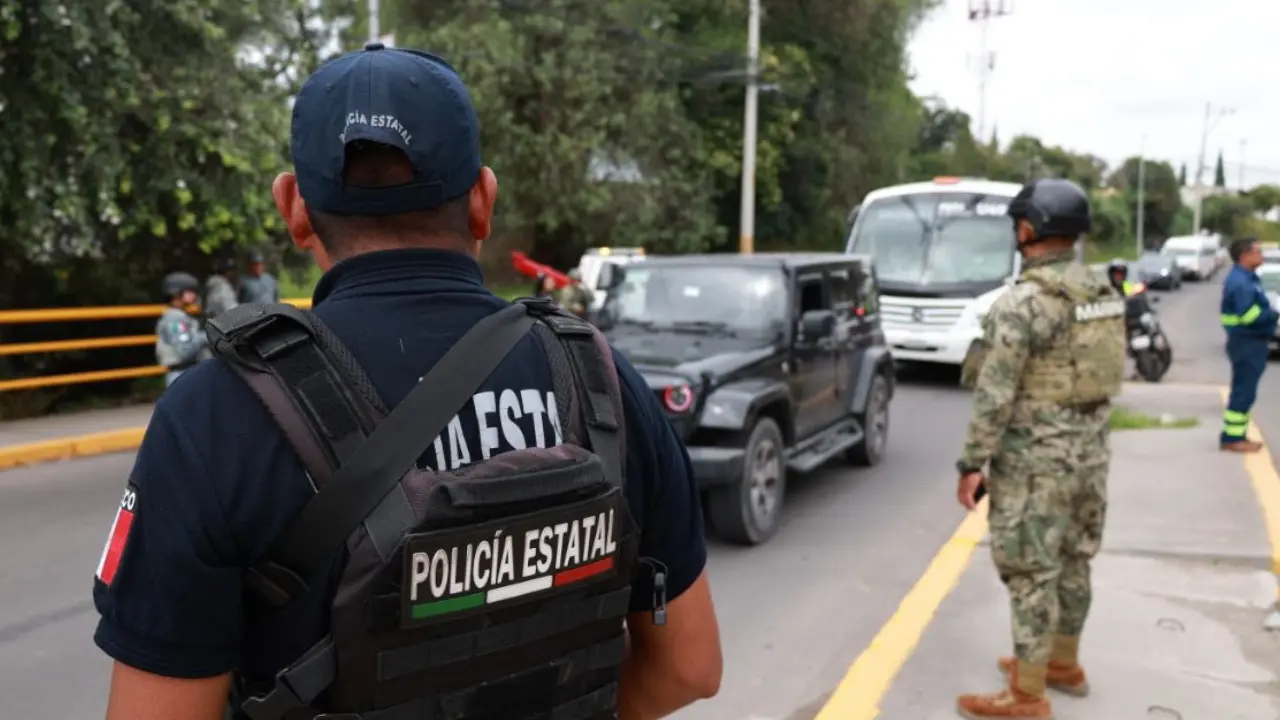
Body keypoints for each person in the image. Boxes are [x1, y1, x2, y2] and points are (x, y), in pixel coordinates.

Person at [91, 43, 721, 720]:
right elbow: (689, 667)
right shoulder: (599, 377)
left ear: (294, 207)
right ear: (483, 200)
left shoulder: (212, 416)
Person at [954, 178, 1125, 719]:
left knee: (1031, 572)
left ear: (1028, 230)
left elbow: (995, 393)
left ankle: (1027, 696)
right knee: (1076, 560)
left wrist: (971, 464)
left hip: (1035, 465)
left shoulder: (1024, 303)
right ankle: (1062, 663)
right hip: (1091, 457)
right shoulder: (1102, 291)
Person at [1218, 236, 1278, 452]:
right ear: (1245, 256)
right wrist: (1272, 315)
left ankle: (1237, 435)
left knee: (1245, 390)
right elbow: (1250, 315)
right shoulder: (1241, 282)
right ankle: (1232, 438)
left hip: (1250, 342)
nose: (1261, 256)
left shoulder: (1247, 278)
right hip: (1247, 342)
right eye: (1258, 252)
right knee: (1244, 391)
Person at [155, 272, 210, 387]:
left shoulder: (180, 315)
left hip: (187, 373)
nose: (194, 295)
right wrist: (206, 336)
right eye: (190, 291)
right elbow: (185, 350)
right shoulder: (174, 318)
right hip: (181, 375)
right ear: (177, 292)